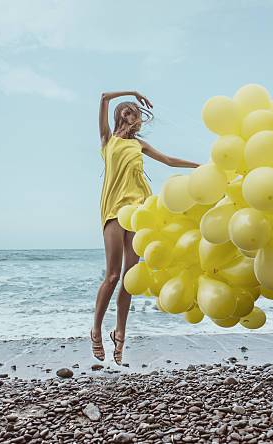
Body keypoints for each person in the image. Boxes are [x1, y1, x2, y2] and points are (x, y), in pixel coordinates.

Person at [91, 91, 200, 364]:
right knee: (113, 275)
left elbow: (169, 161)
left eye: (135, 113)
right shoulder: (108, 140)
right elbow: (104, 97)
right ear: (119, 116)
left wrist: (199, 167)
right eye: (127, 112)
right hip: (114, 211)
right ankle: (96, 329)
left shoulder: (140, 145)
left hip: (140, 212)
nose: (132, 116)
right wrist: (133, 93)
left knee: (131, 278)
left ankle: (120, 333)